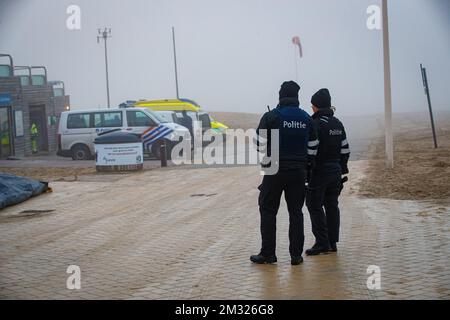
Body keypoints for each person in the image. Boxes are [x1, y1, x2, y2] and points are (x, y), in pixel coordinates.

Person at [250, 81, 318, 265]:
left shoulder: (271, 116)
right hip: (299, 171)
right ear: (296, 97)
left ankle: (268, 254)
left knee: (268, 210)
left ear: (280, 95)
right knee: (296, 212)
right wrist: (306, 164)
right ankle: (296, 255)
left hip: (274, 169)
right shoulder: (306, 118)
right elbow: (313, 147)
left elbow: (258, 144)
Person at [305, 89, 350, 255]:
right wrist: (342, 168)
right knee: (332, 206)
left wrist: (308, 168)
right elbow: (345, 149)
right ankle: (332, 242)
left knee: (313, 204)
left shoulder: (315, 123)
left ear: (316, 106)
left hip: (320, 171)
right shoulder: (337, 123)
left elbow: (312, 149)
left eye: (312, 106)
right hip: (336, 171)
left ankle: (321, 242)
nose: (312, 109)